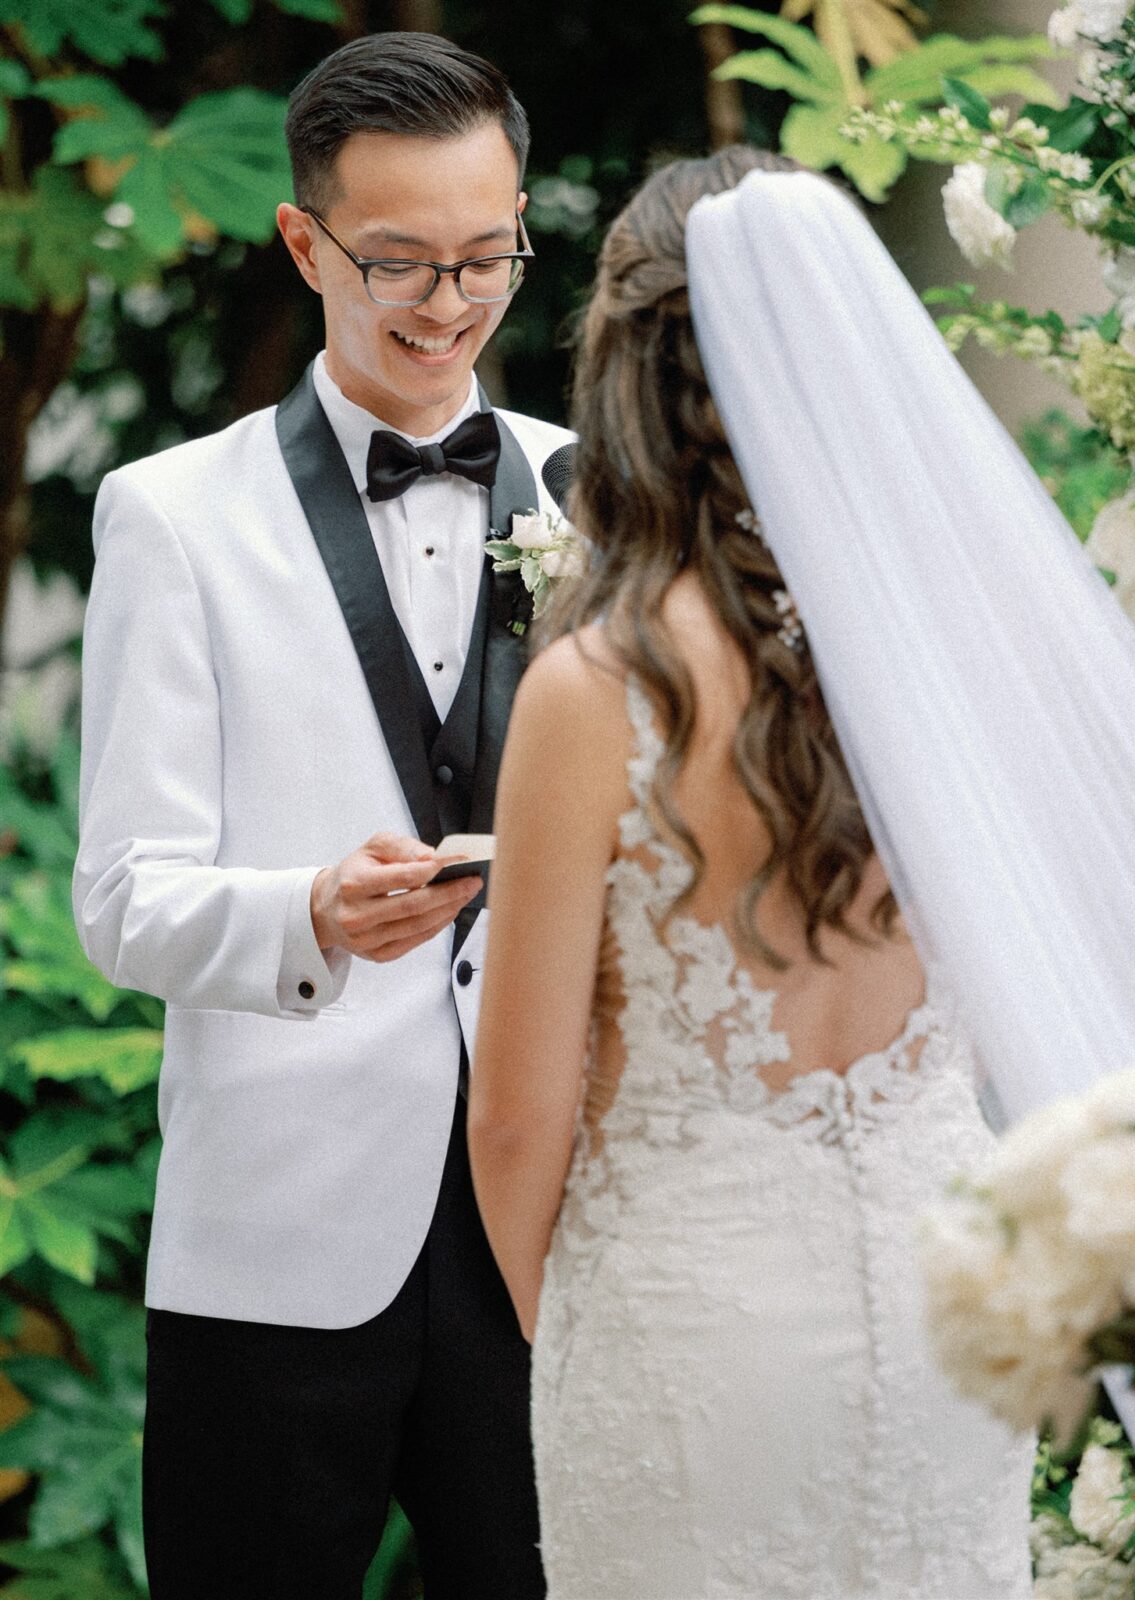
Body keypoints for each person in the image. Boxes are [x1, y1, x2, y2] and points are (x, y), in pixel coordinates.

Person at [467, 147, 1038, 1598]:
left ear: (630, 385)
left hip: (689, 1331)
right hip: (950, 1316)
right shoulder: (959, 659)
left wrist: (586, 1336)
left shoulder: (601, 689)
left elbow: (521, 1116)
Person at [73, 31, 568, 1600]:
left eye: (487, 256)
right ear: (306, 243)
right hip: (275, 1245)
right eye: (400, 263)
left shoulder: (600, 493)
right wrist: (306, 916)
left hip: (547, 1226)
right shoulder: (170, 514)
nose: (451, 303)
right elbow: (125, 898)